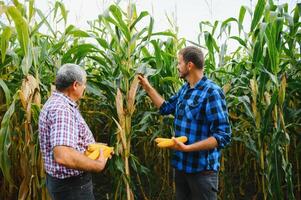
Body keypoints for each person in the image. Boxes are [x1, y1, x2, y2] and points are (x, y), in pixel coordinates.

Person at [138, 46, 231, 200]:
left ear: (189, 65)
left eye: (179, 63)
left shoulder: (212, 92)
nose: (177, 66)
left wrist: (188, 148)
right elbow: (166, 107)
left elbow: (223, 135)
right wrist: (147, 87)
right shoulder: (185, 89)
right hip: (181, 166)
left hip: (201, 172)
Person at [39, 63, 108, 200]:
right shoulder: (62, 110)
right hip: (72, 187)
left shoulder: (56, 103)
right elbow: (63, 155)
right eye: (84, 84)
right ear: (75, 85)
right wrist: (97, 165)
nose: (85, 88)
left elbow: (68, 143)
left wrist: (91, 148)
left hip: (66, 186)